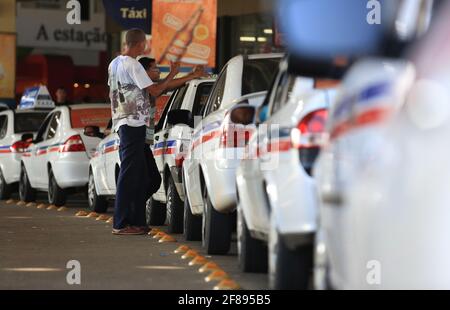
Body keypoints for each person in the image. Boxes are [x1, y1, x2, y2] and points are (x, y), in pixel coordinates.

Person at [108, 28, 180, 235]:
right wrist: (173, 74)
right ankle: (120, 223)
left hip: (123, 121)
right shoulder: (134, 65)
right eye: (145, 44)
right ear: (140, 44)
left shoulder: (114, 64)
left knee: (139, 176)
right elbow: (156, 91)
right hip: (133, 124)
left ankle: (137, 221)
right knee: (129, 174)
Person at [137, 57, 207, 145]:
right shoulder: (141, 88)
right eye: (155, 68)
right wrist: (174, 73)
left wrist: (192, 74)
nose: (159, 71)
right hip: (138, 137)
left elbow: (167, 85)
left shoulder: (151, 87)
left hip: (145, 138)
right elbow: (160, 88)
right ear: (144, 71)